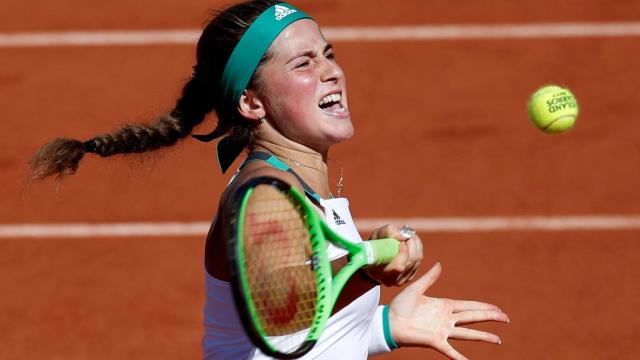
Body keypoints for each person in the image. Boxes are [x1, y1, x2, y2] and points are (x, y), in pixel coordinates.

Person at [28, 1, 509, 359]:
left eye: (327, 54)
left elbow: (303, 338)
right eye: (303, 64)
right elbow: (281, 303)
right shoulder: (257, 193)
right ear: (251, 103)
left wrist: (383, 326)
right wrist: (364, 263)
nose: (333, 72)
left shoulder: (301, 186)